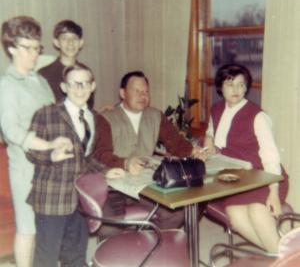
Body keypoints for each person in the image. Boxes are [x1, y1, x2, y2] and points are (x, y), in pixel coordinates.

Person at [0, 16, 72, 267]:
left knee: (48, 228)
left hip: (51, 166)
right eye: (27, 47)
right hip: (27, 170)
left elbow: (54, 116)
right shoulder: (7, 85)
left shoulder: (40, 81)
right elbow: (12, 131)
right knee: (28, 228)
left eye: (36, 47)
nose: (34, 53)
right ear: (11, 48)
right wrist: (48, 145)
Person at [93, 70, 205, 229]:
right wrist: (124, 163)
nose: (142, 95)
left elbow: (175, 142)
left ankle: (153, 245)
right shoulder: (106, 117)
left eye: (146, 91)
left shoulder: (155, 115)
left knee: (177, 212)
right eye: (136, 91)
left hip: (145, 185)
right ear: (123, 93)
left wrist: (192, 151)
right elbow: (100, 153)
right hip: (113, 185)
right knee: (109, 226)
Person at [204, 64, 289, 253]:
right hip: (236, 180)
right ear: (220, 87)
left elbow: (270, 156)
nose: (236, 90)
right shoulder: (216, 110)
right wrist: (208, 138)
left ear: (246, 87)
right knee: (234, 214)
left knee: (257, 211)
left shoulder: (258, 116)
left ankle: (284, 260)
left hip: (265, 177)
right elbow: (211, 130)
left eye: (241, 85)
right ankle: (283, 253)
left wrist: (273, 191)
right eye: (230, 84)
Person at [26, 65, 99, 267]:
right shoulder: (46, 113)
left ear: (93, 86)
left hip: (79, 200)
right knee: (46, 258)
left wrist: (108, 171)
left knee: (76, 255)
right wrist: (51, 154)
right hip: (52, 199)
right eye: (73, 83)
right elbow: (30, 150)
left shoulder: (92, 118)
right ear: (63, 87)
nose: (80, 88)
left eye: (85, 83)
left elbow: (86, 158)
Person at [39, 19, 87, 102]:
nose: (70, 43)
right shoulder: (45, 74)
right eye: (65, 38)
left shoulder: (85, 71)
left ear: (81, 43)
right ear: (56, 43)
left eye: (74, 39)